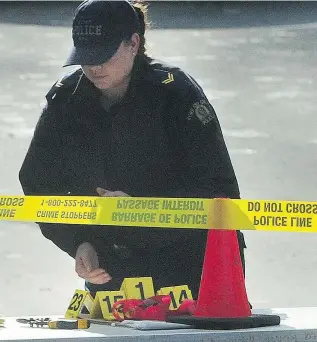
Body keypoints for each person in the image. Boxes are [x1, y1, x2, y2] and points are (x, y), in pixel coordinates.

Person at [19, 0, 246, 299]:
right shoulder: (65, 99)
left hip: (191, 263)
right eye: (85, 56)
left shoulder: (176, 94)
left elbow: (219, 189)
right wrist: (78, 241)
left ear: (134, 44)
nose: (94, 66)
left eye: (104, 55)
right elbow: (39, 183)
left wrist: (145, 210)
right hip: (111, 267)